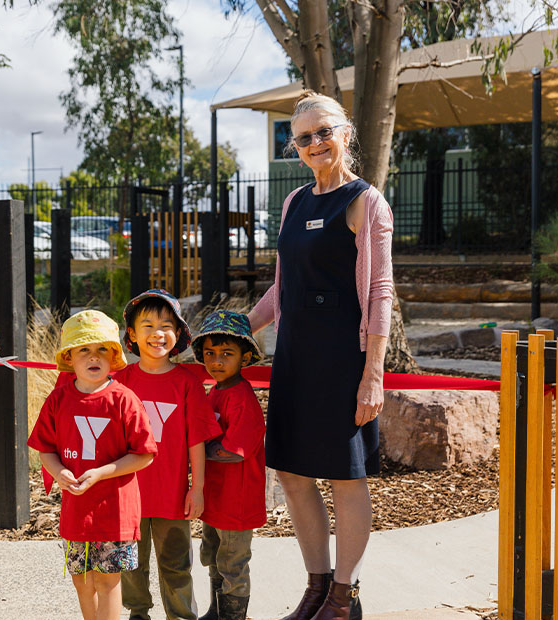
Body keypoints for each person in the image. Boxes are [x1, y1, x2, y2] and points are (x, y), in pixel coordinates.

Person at [247, 90, 393, 620]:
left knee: (345, 477)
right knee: (292, 473)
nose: (315, 143)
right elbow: (279, 292)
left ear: (345, 134)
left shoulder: (365, 201)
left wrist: (372, 375)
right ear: (296, 147)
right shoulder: (294, 203)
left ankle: (343, 595)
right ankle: (316, 586)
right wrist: (231, 331)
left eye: (324, 131)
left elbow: (380, 293)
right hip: (295, 358)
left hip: (343, 360)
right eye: (304, 137)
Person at [28, 309, 157, 620]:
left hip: (115, 511)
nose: (93, 356)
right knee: (82, 581)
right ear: (69, 358)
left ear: (113, 357)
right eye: (83, 349)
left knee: (108, 581)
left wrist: (101, 473)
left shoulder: (124, 399)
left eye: (102, 349)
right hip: (76, 512)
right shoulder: (58, 400)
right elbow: (45, 448)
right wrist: (59, 473)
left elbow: (145, 453)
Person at [115, 288, 222, 620]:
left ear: (177, 335)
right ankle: (138, 613)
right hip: (126, 495)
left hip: (172, 496)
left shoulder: (186, 383)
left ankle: (181, 616)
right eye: (146, 325)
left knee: (177, 565)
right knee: (129, 564)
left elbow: (197, 441)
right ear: (131, 334)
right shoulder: (119, 382)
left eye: (165, 325)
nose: (156, 333)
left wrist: (198, 488)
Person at [192, 310, 267, 620]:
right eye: (210, 353)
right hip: (215, 497)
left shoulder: (242, 398)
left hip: (236, 501)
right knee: (212, 555)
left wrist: (195, 451)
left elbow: (234, 451)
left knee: (233, 563)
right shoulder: (216, 392)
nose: (217, 361)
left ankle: (234, 617)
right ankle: (217, 611)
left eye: (227, 353)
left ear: (245, 357)